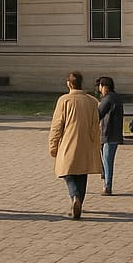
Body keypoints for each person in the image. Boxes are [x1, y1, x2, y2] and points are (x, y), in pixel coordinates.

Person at [48, 71, 101, 219]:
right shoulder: (92, 102)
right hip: (86, 143)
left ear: (69, 84)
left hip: (67, 142)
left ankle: (75, 197)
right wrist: (95, 145)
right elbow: (95, 126)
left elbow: (57, 125)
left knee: (67, 173)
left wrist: (53, 144)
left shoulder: (64, 101)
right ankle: (79, 203)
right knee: (82, 173)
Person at [96, 75, 124, 195]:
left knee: (107, 161)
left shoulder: (108, 99)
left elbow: (98, 114)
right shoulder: (116, 97)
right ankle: (105, 180)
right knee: (106, 159)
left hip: (109, 133)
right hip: (114, 133)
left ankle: (108, 186)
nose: (99, 89)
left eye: (100, 86)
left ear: (104, 86)